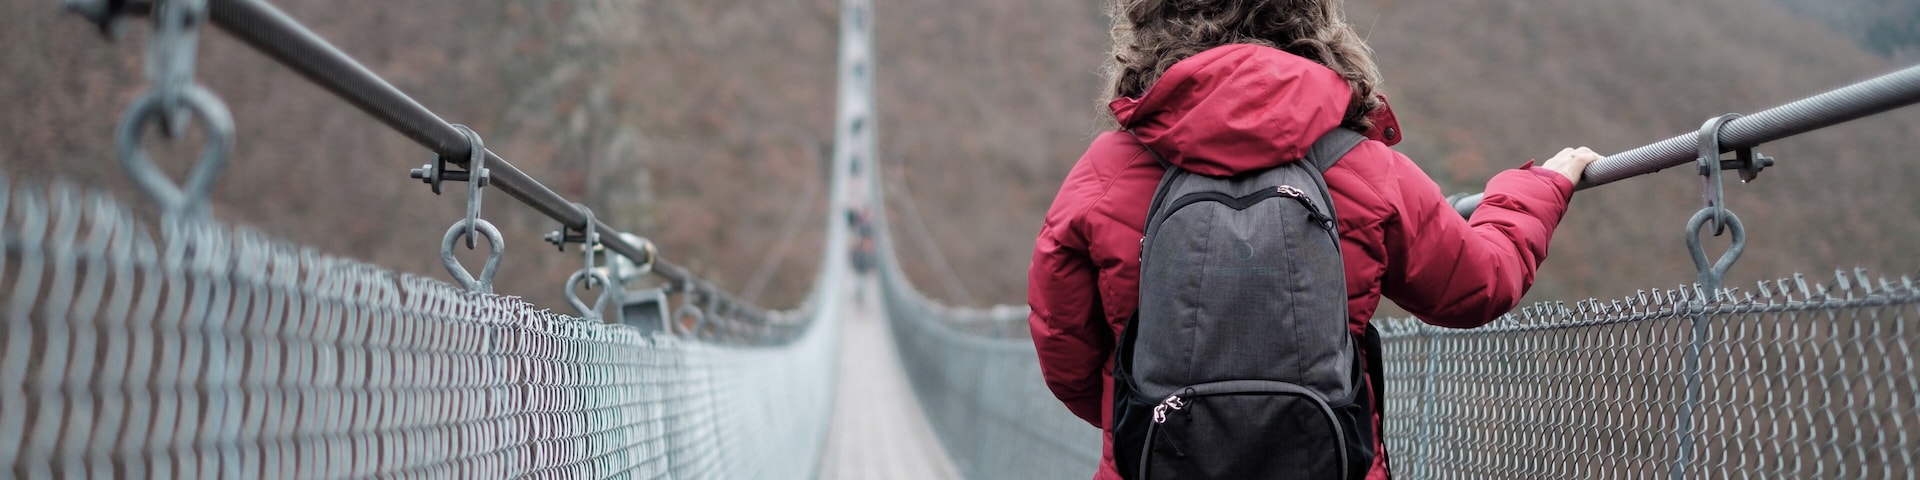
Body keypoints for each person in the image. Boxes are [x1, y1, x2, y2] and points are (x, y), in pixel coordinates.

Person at [1025, 0, 1603, 478]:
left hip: (1157, 459)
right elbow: (1480, 283)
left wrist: (1161, 413)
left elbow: (1066, 355)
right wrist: (1540, 188)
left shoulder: (1107, 173)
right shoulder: (1361, 166)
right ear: (1310, 26)